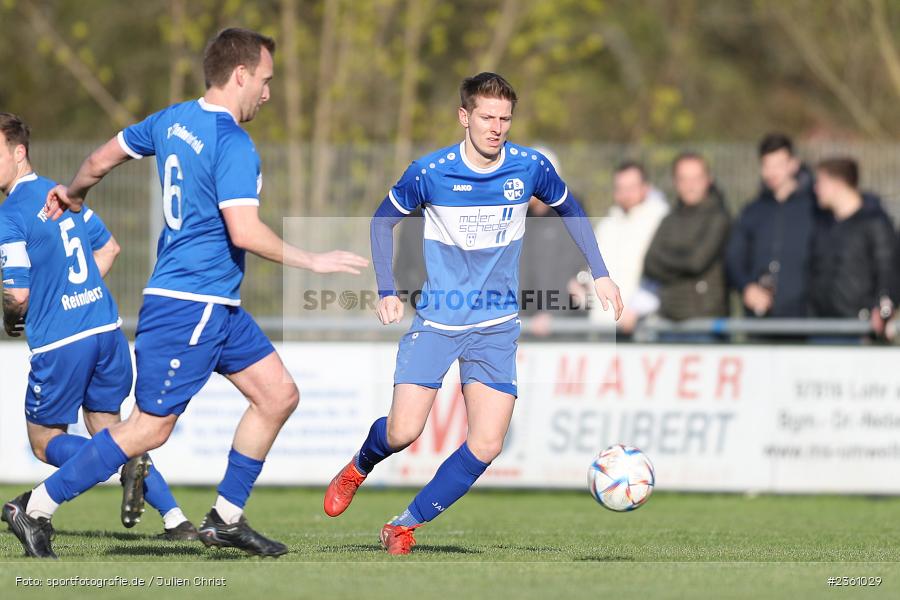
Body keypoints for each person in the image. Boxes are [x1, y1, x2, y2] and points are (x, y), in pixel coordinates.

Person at [5, 28, 368, 559]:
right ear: (240, 75)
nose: (268, 93)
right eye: (265, 81)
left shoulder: (173, 119)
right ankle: (34, 507)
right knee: (148, 429)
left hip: (217, 305)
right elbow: (244, 231)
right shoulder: (233, 143)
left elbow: (104, 157)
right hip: (188, 304)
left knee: (278, 394)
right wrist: (314, 259)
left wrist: (75, 191)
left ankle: (226, 517)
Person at [322, 72, 623, 555]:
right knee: (403, 431)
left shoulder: (530, 167)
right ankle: (359, 464)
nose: (497, 126)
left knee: (486, 444)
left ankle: (403, 524)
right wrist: (386, 289)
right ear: (465, 116)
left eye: (505, 118)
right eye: (487, 116)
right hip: (440, 321)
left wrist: (601, 272)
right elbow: (383, 220)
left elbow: (571, 209)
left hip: (496, 326)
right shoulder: (430, 171)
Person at [0, 113, 196, 558]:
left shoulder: (10, 213)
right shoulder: (64, 194)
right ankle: (176, 520)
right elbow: (109, 248)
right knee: (117, 432)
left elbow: (17, 293)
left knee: (44, 441)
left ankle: (117, 471)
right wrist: (79, 291)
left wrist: (11, 314)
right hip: (106, 330)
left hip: (62, 342)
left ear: (19, 152)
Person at [725, 133, 817, 318]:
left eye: (778, 165)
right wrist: (746, 287)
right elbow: (734, 258)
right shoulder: (752, 211)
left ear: (794, 164)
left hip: (805, 321)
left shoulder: (815, 208)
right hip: (760, 320)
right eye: (766, 165)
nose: (771, 172)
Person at [810, 158, 896, 334]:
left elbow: (888, 270)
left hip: (859, 330)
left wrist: (882, 307)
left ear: (838, 183)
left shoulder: (875, 223)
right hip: (820, 327)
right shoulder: (822, 223)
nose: (816, 189)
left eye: (821, 182)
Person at [644, 152, 731, 321]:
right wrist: (683, 260)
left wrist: (667, 263)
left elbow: (696, 262)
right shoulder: (669, 219)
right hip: (668, 316)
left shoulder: (718, 217)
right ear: (675, 182)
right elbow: (650, 263)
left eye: (696, 178)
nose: (690, 185)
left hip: (705, 319)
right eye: (684, 179)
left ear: (708, 179)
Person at [590, 161, 669, 334]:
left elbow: (662, 273)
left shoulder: (661, 221)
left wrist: (638, 309)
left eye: (631, 187)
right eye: (620, 188)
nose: (625, 194)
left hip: (644, 327)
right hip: (605, 327)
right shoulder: (607, 225)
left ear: (646, 187)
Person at [518, 147, 588, 336]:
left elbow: (574, 278)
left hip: (561, 332)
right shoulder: (519, 221)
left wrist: (553, 313)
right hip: (525, 328)